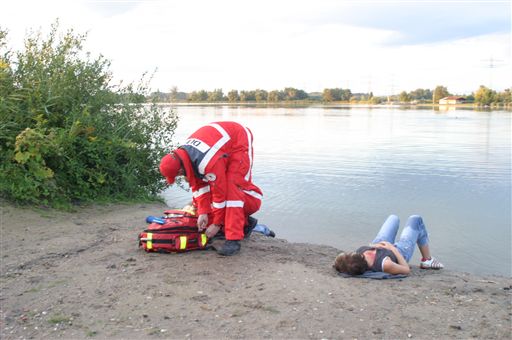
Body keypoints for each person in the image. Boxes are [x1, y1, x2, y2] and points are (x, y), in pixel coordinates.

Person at [159, 121, 263, 256]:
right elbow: (199, 188)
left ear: (179, 170)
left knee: (232, 188)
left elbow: (219, 193)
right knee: (216, 194)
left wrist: (217, 224)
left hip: (238, 139)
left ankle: (234, 240)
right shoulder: (185, 156)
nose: (180, 177)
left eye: (178, 175)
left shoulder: (207, 162)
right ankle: (246, 223)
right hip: (221, 145)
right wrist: (203, 212)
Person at [333, 215, 444, 276]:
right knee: (415, 219)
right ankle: (427, 260)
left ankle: (427, 258)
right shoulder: (386, 264)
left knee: (393, 218)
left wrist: (374, 245)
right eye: (348, 255)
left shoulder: (359, 253)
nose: (350, 253)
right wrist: (392, 248)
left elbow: (369, 248)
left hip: (380, 244)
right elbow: (406, 270)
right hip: (399, 251)